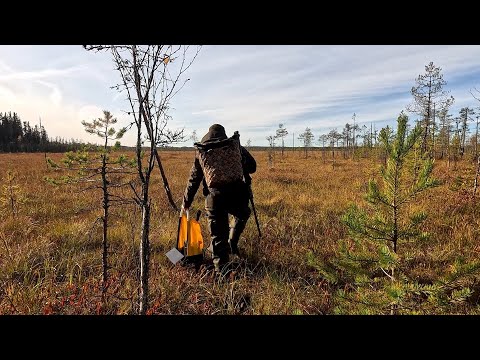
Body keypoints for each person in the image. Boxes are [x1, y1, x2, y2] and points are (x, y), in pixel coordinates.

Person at [182, 124, 256, 273]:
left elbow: (194, 180)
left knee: (218, 237)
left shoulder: (202, 151)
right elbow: (252, 167)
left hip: (215, 197)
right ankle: (232, 242)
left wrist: (186, 202)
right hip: (238, 193)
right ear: (223, 134)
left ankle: (222, 273)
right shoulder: (234, 145)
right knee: (243, 213)